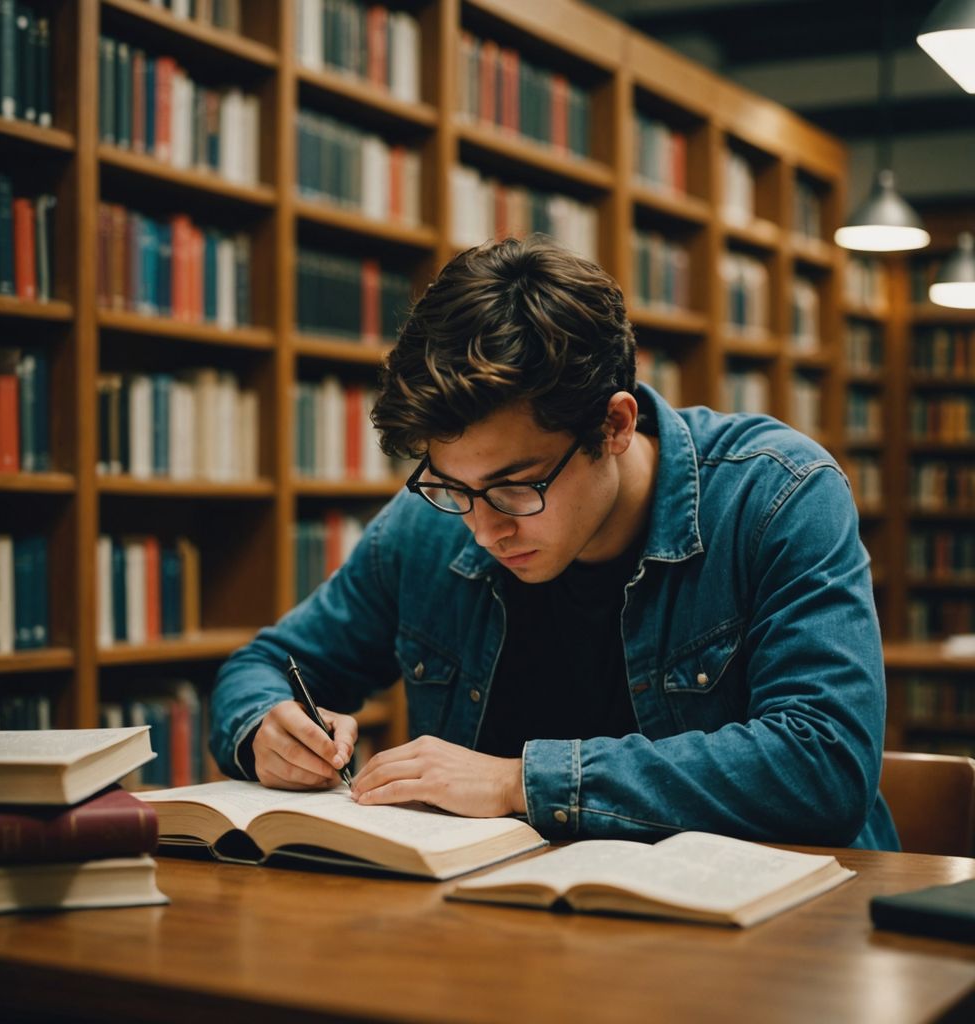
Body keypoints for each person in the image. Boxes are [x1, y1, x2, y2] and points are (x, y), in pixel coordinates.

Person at [210, 235, 899, 850]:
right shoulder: (427, 526)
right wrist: (262, 727)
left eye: (516, 488)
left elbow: (824, 765)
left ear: (615, 425)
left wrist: (522, 783)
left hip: (779, 934)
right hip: (506, 931)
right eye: (453, 487)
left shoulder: (778, 495)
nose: (483, 528)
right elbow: (266, 664)